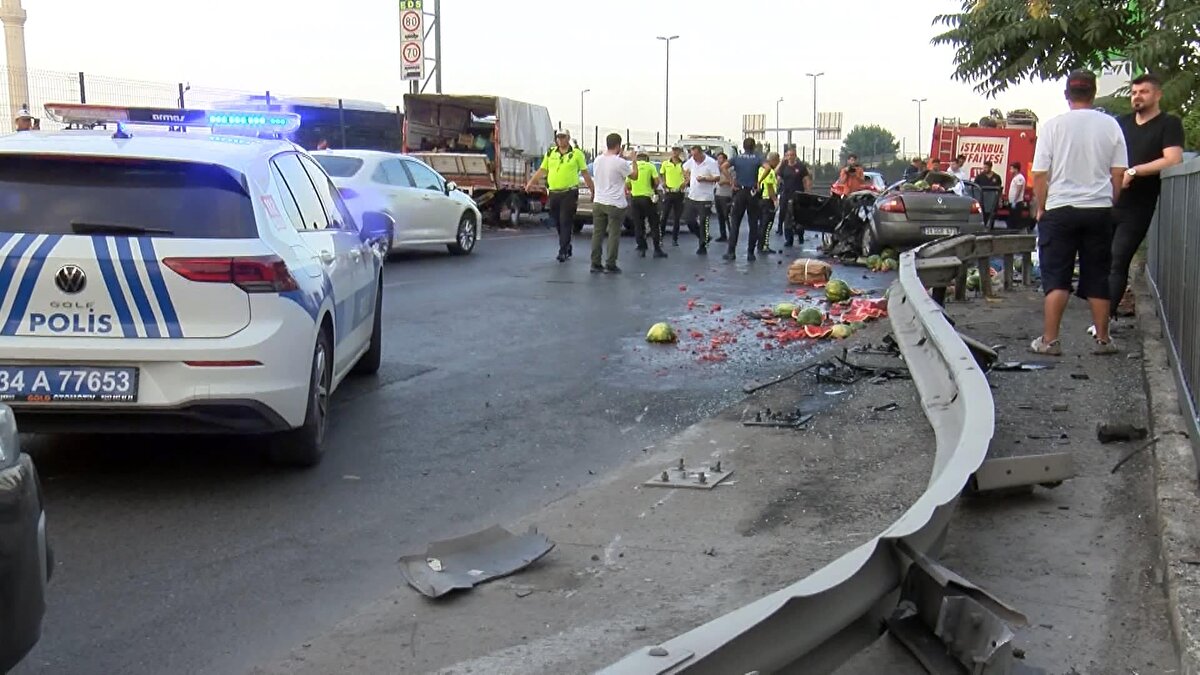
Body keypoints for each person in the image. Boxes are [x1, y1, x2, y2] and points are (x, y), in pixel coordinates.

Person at [1028, 70, 1127, 356]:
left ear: (1067, 95)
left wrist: (1043, 206)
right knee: (1097, 275)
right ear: (1094, 93)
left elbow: (1039, 174)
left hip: (1060, 210)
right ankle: (1104, 340)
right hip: (1098, 209)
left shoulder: (1053, 126)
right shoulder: (1110, 126)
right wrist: (1110, 200)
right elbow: (1118, 173)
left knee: (1057, 277)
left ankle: (1049, 341)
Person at [1101, 72, 1185, 333]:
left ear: (1157, 95)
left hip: (1138, 205)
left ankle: (1104, 321)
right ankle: (1100, 314)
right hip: (1108, 200)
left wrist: (1134, 171)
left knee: (1118, 259)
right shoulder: (1121, 123)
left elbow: (1172, 159)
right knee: (1101, 259)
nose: (1137, 97)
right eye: (1134, 92)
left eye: (1144, 92)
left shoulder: (1168, 124)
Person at [526, 130, 593, 263]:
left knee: (565, 221)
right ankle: (566, 244)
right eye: (558, 137)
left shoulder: (576, 154)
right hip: (554, 193)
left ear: (568, 138)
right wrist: (530, 183)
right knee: (556, 221)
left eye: (563, 137)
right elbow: (542, 170)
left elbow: (585, 173)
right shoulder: (551, 153)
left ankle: (563, 251)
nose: (560, 140)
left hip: (569, 192)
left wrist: (592, 190)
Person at [589, 133, 637, 274]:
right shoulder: (620, 163)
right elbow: (634, 176)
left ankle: (595, 263)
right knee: (613, 234)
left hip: (599, 201)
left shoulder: (598, 160)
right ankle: (610, 263)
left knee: (597, 233)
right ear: (619, 145)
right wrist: (633, 160)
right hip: (615, 203)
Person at [725, 138, 765, 261]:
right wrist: (759, 181)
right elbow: (768, 167)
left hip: (740, 191)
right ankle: (750, 253)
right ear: (753, 147)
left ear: (743, 146)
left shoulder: (737, 158)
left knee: (735, 222)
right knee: (753, 223)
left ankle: (731, 252)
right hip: (752, 192)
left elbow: (723, 166)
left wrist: (732, 181)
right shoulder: (758, 157)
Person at [681, 146, 721, 255]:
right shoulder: (692, 161)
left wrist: (705, 179)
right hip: (692, 195)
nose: (693, 158)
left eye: (695, 155)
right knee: (688, 219)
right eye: (692, 155)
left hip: (705, 197)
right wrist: (687, 178)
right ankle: (703, 237)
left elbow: (717, 177)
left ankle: (702, 246)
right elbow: (684, 168)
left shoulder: (711, 162)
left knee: (704, 221)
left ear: (701, 153)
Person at [627, 152, 666, 258]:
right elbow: (657, 182)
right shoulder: (650, 166)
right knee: (654, 223)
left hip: (635, 198)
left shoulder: (631, 167)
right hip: (648, 198)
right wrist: (652, 188)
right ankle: (657, 249)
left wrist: (634, 188)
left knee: (638, 224)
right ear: (646, 158)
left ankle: (641, 248)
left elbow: (627, 184)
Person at [777, 148, 812, 247]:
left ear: (795, 156)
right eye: (788, 155)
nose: (790, 157)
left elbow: (806, 179)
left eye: (792, 155)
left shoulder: (801, 167)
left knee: (799, 217)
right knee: (786, 218)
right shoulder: (784, 167)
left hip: (798, 195)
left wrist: (808, 192)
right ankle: (789, 239)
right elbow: (778, 177)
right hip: (786, 194)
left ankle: (800, 234)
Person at [659, 147, 686, 246]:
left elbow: (687, 175)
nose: (675, 152)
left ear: (679, 152)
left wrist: (685, 183)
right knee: (664, 216)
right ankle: (660, 238)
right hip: (669, 192)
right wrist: (663, 182)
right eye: (673, 150)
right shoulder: (666, 163)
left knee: (677, 217)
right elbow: (661, 174)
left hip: (679, 193)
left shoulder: (683, 164)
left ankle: (675, 239)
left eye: (677, 150)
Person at [756, 152, 781, 254]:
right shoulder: (769, 171)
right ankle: (764, 246)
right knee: (767, 224)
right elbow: (770, 187)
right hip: (768, 200)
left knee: (761, 223)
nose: (778, 162)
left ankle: (759, 245)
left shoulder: (761, 169)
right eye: (777, 160)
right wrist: (775, 200)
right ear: (773, 160)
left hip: (760, 199)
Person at [714, 152, 734, 242]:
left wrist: (724, 182)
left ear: (725, 159)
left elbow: (733, 181)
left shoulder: (730, 169)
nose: (719, 160)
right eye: (718, 158)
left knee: (727, 216)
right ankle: (723, 235)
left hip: (726, 195)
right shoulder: (717, 169)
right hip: (718, 194)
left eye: (721, 158)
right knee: (720, 216)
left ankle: (731, 234)